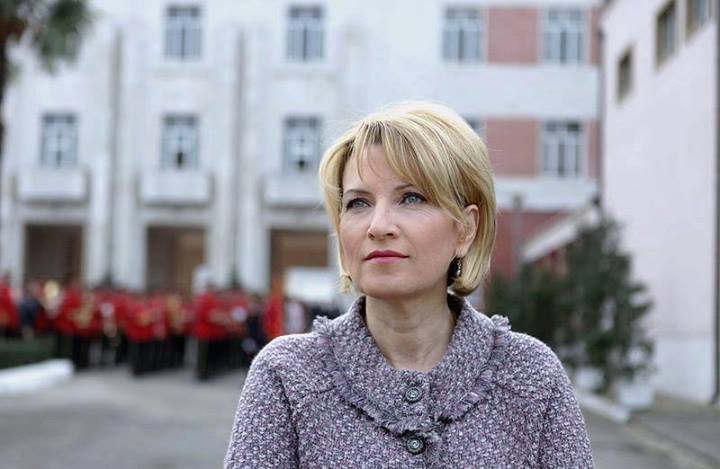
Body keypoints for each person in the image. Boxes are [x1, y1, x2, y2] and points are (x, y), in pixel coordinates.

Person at [224, 102, 594, 468]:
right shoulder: (287, 376)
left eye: (411, 198)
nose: (378, 226)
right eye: (357, 203)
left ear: (465, 229)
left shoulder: (531, 377)